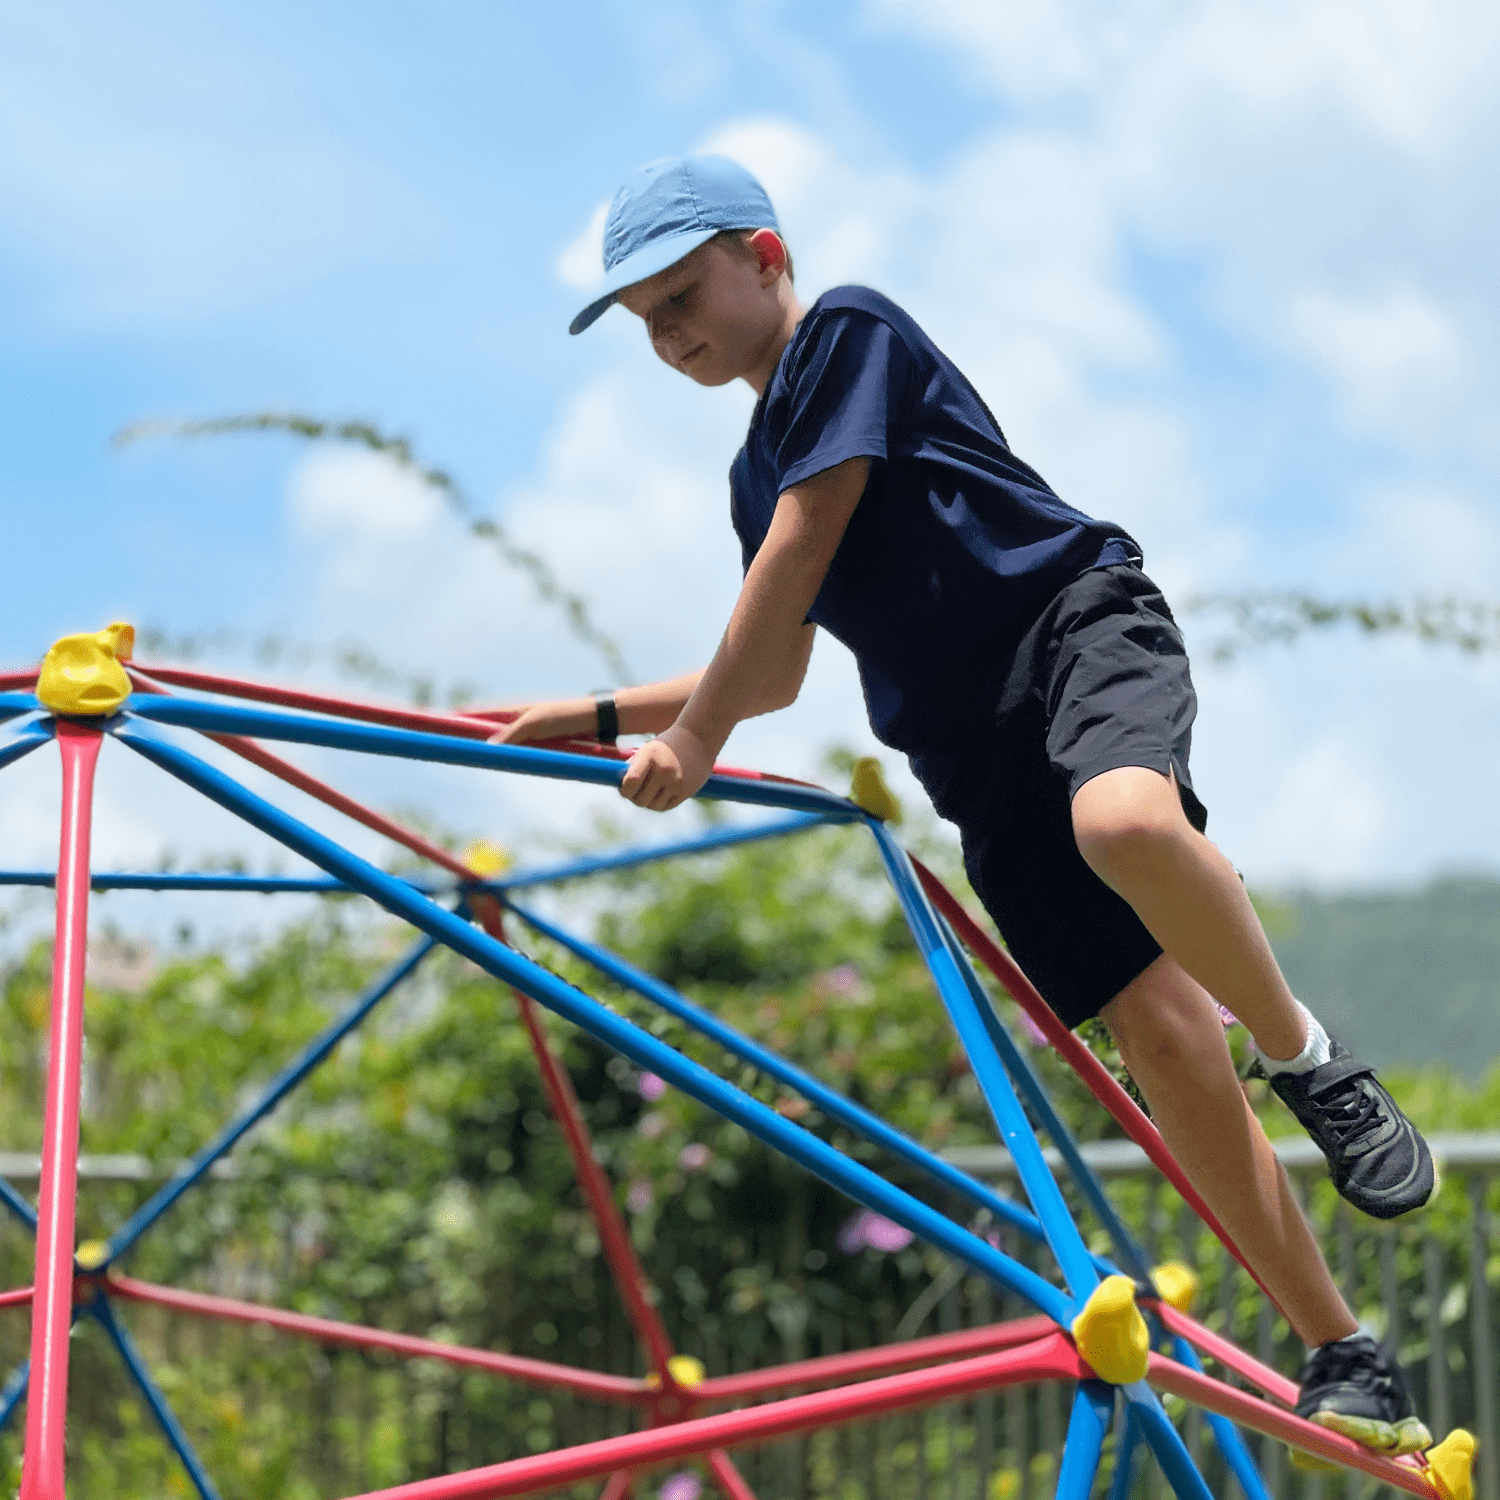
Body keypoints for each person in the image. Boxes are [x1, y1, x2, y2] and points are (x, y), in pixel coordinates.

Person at [498, 154, 1435, 1454]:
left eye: (684, 294)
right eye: (649, 323)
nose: (672, 334)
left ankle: (1309, 1059)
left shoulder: (848, 332)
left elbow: (807, 543)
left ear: (766, 256)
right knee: (1164, 1043)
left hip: (1071, 629)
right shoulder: (747, 481)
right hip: (970, 756)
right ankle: (1344, 1348)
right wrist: (611, 713)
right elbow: (771, 663)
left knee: (1125, 822)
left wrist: (695, 734)